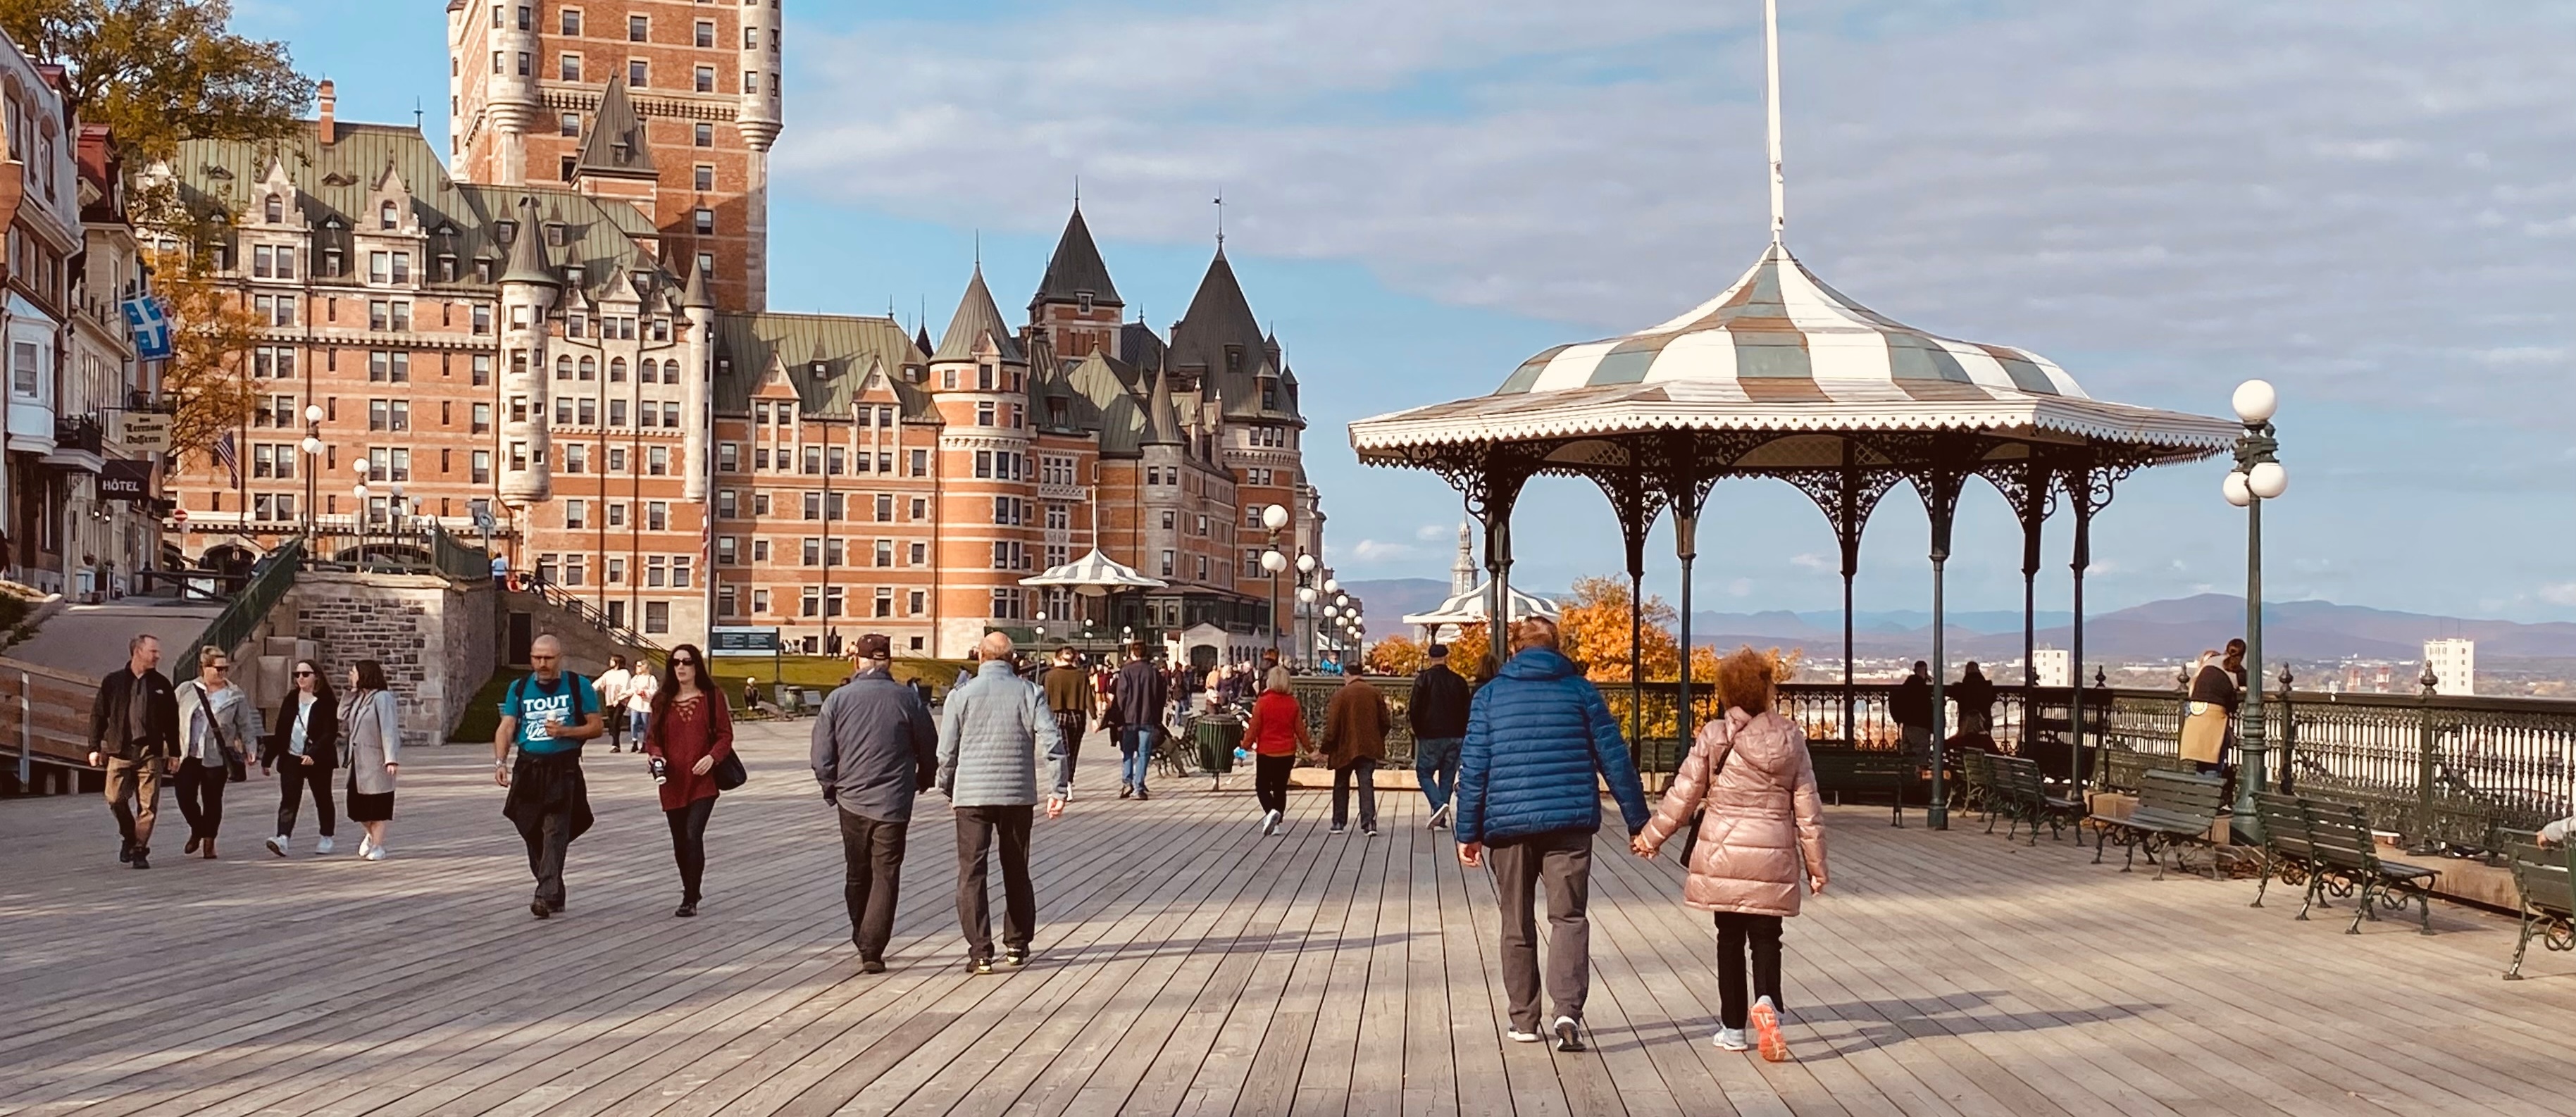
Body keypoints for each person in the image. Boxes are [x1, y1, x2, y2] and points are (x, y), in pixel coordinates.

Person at [1455, 616, 1651, 1054]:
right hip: (1569, 821)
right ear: (1557, 647)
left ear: (1515, 649)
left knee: (1516, 921)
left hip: (1506, 827)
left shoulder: (1489, 697)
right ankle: (1567, 1010)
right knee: (1569, 917)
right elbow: (1614, 757)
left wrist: (1467, 830)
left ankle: (1524, 1018)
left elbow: (1474, 770)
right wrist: (1639, 821)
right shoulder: (1581, 691)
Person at [1634, 647, 1829, 1062]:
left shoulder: (1716, 735)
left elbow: (1684, 795)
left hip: (1722, 854)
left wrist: (1652, 837)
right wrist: (1816, 866)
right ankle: (1768, 1002)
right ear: (1766, 690)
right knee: (1767, 937)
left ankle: (1733, 1028)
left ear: (1727, 692)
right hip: (1772, 853)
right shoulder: (1791, 738)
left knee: (1729, 939)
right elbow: (1808, 808)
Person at [938, 632, 1066, 973]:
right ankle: (1017, 944)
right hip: (1016, 794)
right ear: (1013, 660)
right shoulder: (1030, 693)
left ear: (981, 657)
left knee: (971, 872)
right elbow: (1052, 742)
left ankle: (980, 951)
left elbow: (946, 751)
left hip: (972, 795)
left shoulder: (961, 695)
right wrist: (1059, 789)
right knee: (1016, 868)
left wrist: (948, 788)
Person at [814, 633, 939, 971]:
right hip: (894, 800)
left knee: (857, 871)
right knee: (886, 872)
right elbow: (929, 745)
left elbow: (822, 753)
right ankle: (873, 946)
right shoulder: (907, 699)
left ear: (858, 661)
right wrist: (923, 780)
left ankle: (861, 933)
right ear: (889, 662)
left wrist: (830, 786)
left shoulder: (838, 700)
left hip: (851, 799)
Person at [496, 635, 606, 920]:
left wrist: (566, 732)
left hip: (563, 767)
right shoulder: (519, 688)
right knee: (530, 829)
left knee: (555, 830)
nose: (542, 664)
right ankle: (554, 889)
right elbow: (507, 727)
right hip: (528, 767)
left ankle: (544, 895)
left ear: (560, 657)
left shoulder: (577, 685)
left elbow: (595, 727)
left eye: (548, 658)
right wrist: (500, 761)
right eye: (536, 658)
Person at [643, 644, 735, 917]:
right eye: (676, 663)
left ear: (697, 666)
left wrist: (712, 758)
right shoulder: (661, 700)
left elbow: (724, 735)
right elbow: (652, 739)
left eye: (687, 662)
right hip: (672, 780)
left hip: (703, 780)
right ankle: (689, 886)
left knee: (693, 835)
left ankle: (690, 897)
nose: (681, 667)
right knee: (679, 840)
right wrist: (656, 757)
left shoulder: (711, 696)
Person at [89, 633, 178, 868]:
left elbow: (172, 721)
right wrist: (94, 747)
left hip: (150, 751)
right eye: (153, 651)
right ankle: (129, 835)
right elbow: (98, 715)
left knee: (148, 806)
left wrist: (175, 753)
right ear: (138, 651)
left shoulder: (161, 684)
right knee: (114, 798)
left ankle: (140, 849)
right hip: (120, 750)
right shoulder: (113, 681)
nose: (158, 656)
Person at [173, 644, 259, 861]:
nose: (222, 674)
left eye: (225, 669)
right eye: (218, 669)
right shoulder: (186, 690)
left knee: (212, 799)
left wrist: (250, 748)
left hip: (217, 755)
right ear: (204, 668)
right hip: (189, 753)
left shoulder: (234, 694)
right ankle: (198, 828)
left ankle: (209, 841)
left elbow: (245, 724)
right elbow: (170, 718)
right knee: (184, 797)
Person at [261, 659, 341, 858]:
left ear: (316, 676)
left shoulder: (326, 701)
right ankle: (283, 838)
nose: (301, 678)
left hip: (319, 759)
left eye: (305, 674)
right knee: (289, 799)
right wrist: (267, 758)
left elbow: (330, 733)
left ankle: (326, 835)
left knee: (323, 798)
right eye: (297, 675)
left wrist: (313, 754)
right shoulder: (291, 699)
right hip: (291, 756)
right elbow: (281, 730)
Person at [340, 660, 403, 861]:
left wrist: (390, 758)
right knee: (358, 809)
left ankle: (378, 845)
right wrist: (350, 692)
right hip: (358, 763)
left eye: (354, 672)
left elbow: (388, 729)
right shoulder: (360, 698)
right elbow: (341, 715)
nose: (351, 675)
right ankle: (370, 834)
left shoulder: (382, 698)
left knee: (377, 807)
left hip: (376, 762)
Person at [1409, 643, 1471, 830]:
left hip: (1430, 735)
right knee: (1447, 776)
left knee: (1424, 773)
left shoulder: (1423, 680)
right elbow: (1467, 709)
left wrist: (1419, 731)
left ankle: (1438, 805)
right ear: (1447, 656)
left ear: (1429, 657)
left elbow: (1415, 709)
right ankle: (1440, 817)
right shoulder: (1459, 681)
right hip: (1455, 735)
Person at [1322, 669, 1390, 836]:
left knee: (1341, 783)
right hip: (1368, 746)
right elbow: (1385, 722)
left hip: (1344, 747)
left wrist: (1325, 748)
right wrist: (1376, 737)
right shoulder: (1375, 693)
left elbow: (1332, 727)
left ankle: (1339, 822)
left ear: (1346, 675)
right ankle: (1369, 823)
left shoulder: (1340, 695)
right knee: (1366, 784)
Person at [1243, 666, 1309, 836]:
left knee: (1262, 786)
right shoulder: (1292, 703)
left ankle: (1271, 812)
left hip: (1267, 751)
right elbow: (1300, 730)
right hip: (1287, 752)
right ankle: (1277, 821)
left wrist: (1244, 746)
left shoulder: (1263, 702)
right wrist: (1310, 749)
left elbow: (1254, 728)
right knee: (1280, 788)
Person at [1105, 642, 1168, 800]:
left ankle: (1127, 781)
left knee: (1128, 750)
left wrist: (1119, 716)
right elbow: (1161, 696)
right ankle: (1139, 786)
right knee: (1144, 752)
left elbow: (1121, 696)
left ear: (1133, 653)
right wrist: (1157, 716)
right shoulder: (1153, 672)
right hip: (1147, 717)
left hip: (1129, 718)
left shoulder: (1126, 671)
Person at [1042, 647, 1090, 801]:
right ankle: (1069, 782)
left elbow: (1046, 699)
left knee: (1061, 751)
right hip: (1078, 716)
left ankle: (1062, 786)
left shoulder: (1050, 676)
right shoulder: (1081, 675)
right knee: (1073, 752)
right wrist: (1096, 718)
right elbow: (1089, 696)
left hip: (1058, 715)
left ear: (1058, 659)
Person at [2180, 649, 2236, 775]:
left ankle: (2204, 791)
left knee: (2203, 766)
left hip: (2199, 728)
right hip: (2215, 726)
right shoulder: (2221, 683)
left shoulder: (2197, 689)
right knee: (2212, 766)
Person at [1890, 661, 1934, 759]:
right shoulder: (1922, 689)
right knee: (1920, 758)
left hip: (1907, 727)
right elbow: (1927, 709)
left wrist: (1899, 719)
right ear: (1924, 671)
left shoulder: (1906, 687)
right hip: (1921, 727)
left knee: (1907, 758)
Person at [595, 655, 634, 752]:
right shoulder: (608, 674)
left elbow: (626, 687)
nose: (610, 662)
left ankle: (616, 744)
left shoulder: (625, 673)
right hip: (610, 701)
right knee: (612, 723)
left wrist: (619, 699)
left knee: (616, 722)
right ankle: (615, 743)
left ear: (617, 662)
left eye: (612, 660)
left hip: (620, 702)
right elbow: (598, 684)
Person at [1952, 661, 1995, 738]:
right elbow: (1992, 698)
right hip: (1984, 719)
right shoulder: (1987, 687)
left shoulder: (1962, 688)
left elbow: (1955, 693)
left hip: (1966, 721)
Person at [623, 661, 659, 751]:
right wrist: (624, 694)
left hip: (646, 704)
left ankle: (645, 743)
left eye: (639, 666)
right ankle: (634, 742)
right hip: (636, 703)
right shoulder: (636, 678)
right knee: (634, 723)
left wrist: (645, 693)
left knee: (645, 725)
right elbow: (632, 689)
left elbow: (654, 690)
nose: (637, 668)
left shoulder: (651, 678)